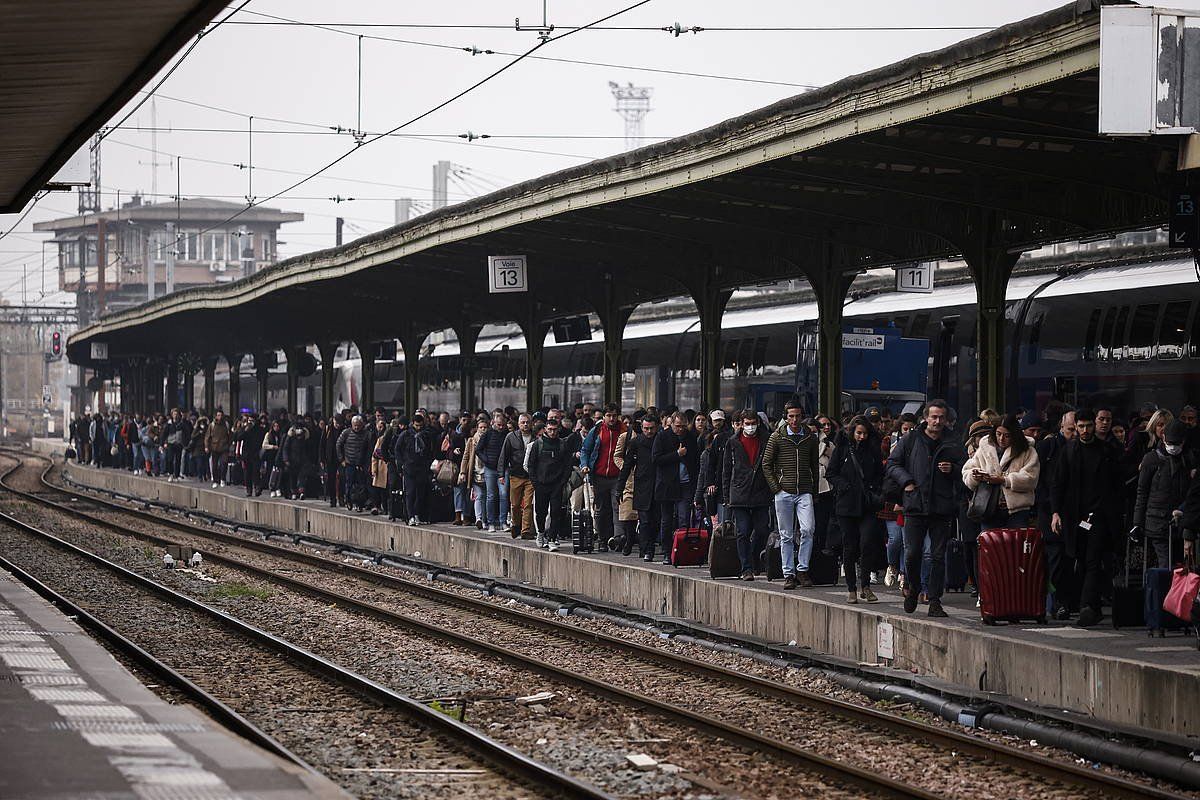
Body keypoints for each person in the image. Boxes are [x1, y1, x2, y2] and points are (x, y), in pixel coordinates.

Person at [886, 400, 965, 618]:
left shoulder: (953, 441)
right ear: (926, 418)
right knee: (912, 553)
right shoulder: (911, 439)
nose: (937, 421)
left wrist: (953, 469)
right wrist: (907, 482)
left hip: (942, 506)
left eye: (941, 417)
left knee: (937, 556)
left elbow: (966, 469)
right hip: (915, 504)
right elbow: (893, 464)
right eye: (934, 417)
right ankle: (912, 588)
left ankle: (934, 600)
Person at [1051, 408, 1125, 628]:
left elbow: (1116, 484)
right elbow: (1058, 483)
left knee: (1092, 560)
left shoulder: (1107, 450)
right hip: (1075, 516)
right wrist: (1055, 512)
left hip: (1100, 516)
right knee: (1080, 559)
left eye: (1087, 426)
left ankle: (1086, 607)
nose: (1084, 430)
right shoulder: (1069, 451)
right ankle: (1090, 606)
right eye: (1080, 427)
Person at [827, 415, 885, 603]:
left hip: (867, 503)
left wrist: (875, 489)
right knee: (849, 546)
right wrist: (843, 486)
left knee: (867, 543)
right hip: (846, 504)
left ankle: (865, 585)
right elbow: (831, 473)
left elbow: (880, 474)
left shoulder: (873, 450)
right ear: (852, 432)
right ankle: (852, 587)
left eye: (865, 434)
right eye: (859, 433)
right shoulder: (842, 449)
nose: (862, 437)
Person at [762, 401, 819, 589]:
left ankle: (802, 569)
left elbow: (814, 466)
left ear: (802, 417)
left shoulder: (810, 438)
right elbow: (766, 463)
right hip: (783, 491)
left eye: (798, 416)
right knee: (786, 535)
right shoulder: (777, 437)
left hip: (804, 490)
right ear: (786, 417)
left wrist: (814, 490)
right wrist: (776, 488)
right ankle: (789, 573)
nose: (794, 420)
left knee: (807, 529)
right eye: (791, 416)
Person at [1132, 420, 1193, 568]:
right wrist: (1137, 523)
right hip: (1157, 522)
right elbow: (1142, 492)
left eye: (1177, 443)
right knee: (1166, 565)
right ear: (1164, 438)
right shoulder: (1152, 459)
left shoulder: (1189, 459)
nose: (1173, 447)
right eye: (1170, 442)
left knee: (1181, 566)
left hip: (1180, 521)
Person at [962, 414, 1040, 530]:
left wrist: (1005, 480)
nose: (1001, 439)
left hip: (1017, 511)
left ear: (1014, 435)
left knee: (1014, 545)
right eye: (998, 434)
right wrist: (975, 476)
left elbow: (1031, 478)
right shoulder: (985, 447)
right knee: (991, 545)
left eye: (1007, 436)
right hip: (989, 507)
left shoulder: (1028, 451)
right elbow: (967, 470)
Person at [722, 409, 773, 581]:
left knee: (761, 529)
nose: (750, 427)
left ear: (758, 423)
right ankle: (746, 568)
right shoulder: (733, 442)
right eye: (747, 424)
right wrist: (726, 496)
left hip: (761, 492)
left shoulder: (766, 439)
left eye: (753, 423)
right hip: (739, 494)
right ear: (741, 424)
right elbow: (727, 470)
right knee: (743, 531)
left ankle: (752, 557)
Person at [651, 412, 701, 564]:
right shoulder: (662, 437)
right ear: (671, 424)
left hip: (685, 483)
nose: (680, 430)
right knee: (666, 520)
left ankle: (682, 550)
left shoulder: (690, 438)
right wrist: (676, 454)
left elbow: (695, 460)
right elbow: (656, 459)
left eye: (683, 427)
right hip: (667, 484)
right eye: (677, 426)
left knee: (684, 517)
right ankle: (667, 551)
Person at [580, 403, 627, 553]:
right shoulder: (597, 430)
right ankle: (602, 540)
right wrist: (584, 465)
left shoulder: (625, 431)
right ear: (604, 416)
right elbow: (585, 450)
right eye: (608, 416)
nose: (612, 419)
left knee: (617, 506)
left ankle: (618, 538)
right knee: (600, 509)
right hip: (599, 476)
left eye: (614, 416)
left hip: (618, 476)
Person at [526, 416, 573, 551]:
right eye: (550, 430)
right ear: (545, 429)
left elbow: (567, 465)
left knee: (556, 512)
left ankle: (552, 538)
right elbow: (531, 465)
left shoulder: (562, 445)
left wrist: (562, 482)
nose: (552, 432)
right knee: (540, 513)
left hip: (557, 485)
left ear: (558, 430)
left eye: (554, 430)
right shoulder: (537, 445)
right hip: (541, 484)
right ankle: (541, 533)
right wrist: (535, 482)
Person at [618, 414, 661, 560]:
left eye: (652, 428)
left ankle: (649, 547)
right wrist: (620, 488)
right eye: (646, 428)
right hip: (642, 486)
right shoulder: (636, 443)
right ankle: (646, 549)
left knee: (655, 521)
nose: (649, 431)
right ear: (641, 428)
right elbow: (627, 466)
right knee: (644, 520)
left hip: (658, 485)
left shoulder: (660, 440)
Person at [394, 413, 437, 524]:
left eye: (420, 425)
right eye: (416, 425)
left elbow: (430, 450)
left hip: (422, 467)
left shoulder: (426, 435)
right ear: (413, 424)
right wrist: (401, 463)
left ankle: (417, 514)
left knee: (420, 493)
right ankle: (410, 515)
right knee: (410, 492)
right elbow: (397, 449)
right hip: (409, 467)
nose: (418, 428)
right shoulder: (406, 434)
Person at [499, 412, 535, 538]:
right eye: (522, 422)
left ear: (531, 423)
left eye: (527, 422)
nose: (525, 424)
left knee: (528, 503)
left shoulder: (536, 437)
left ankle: (525, 530)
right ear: (518, 424)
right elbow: (504, 455)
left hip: (530, 476)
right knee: (515, 504)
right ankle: (515, 524)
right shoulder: (511, 437)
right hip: (515, 475)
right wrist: (501, 474)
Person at [336, 415, 372, 512]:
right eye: (355, 425)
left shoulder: (366, 434)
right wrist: (341, 459)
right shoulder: (346, 433)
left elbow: (369, 449)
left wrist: (367, 463)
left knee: (361, 485)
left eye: (358, 425)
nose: (356, 428)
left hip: (361, 464)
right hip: (349, 462)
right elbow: (338, 444)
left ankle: (359, 503)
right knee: (349, 483)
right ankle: (349, 500)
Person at [204, 410, 231, 488]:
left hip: (224, 447)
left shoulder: (226, 424)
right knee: (214, 465)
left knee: (224, 463)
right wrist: (206, 446)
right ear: (216, 416)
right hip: (214, 447)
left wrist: (228, 444)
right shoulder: (212, 425)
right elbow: (207, 437)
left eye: (221, 415)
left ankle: (223, 479)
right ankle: (215, 480)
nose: (220, 417)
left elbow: (230, 435)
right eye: (218, 415)